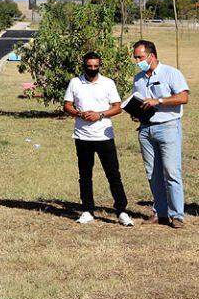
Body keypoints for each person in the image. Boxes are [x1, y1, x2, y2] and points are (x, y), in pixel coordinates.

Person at [62, 52, 130, 226]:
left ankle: (121, 211)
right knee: (85, 175)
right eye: (89, 66)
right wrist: (78, 113)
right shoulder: (75, 82)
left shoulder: (108, 83)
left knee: (113, 174)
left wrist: (99, 115)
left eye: (95, 66)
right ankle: (87, 210)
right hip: (82, 136)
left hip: (104, 136)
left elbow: (117, 107)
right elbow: (67, 105)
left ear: (100, 65)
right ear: (83, 65)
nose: (92, 69)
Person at [131, 40, 189, 228]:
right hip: (146, 129)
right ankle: (161, 213)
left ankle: (177, 214)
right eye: (135, 57)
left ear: (152, 56)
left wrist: (159, 100)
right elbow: (140, 101)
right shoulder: (138, 78)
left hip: (168, 127)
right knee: (152, 173)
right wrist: (136, 113)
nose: (137, 60)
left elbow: (183, 97)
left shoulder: (171, 73)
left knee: (171, 172)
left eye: (140, 57)